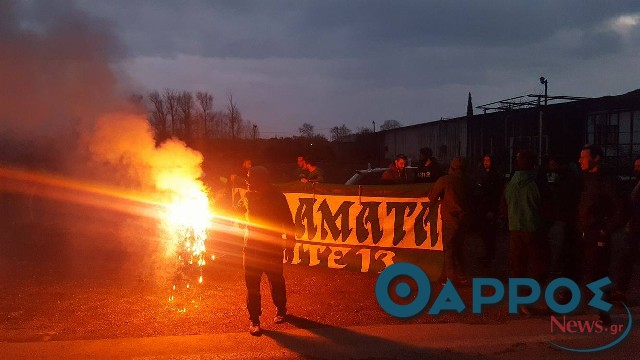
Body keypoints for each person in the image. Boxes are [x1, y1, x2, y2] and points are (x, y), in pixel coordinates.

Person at [240, 166, 295, 336]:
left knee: (276, 280)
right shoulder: (248, 196)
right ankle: (254, 319)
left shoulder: (278, 198)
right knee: (252, 285)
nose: (247, 181)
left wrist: (290, 246)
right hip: (250, 248)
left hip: (271, 248)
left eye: (250, 178)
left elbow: (288, 222)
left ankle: (281, 309)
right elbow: (238, 211)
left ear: (260, 180)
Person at [576, 144, 626, 323]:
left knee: (599, 273)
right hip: (586, 232)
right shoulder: (586, 178)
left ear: (596, 158)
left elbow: (622, 208)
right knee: (590, 272)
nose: (580, 160)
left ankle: (604, 313)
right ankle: (596, 307)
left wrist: (606, 229)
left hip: (598, 234)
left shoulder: (608, 180)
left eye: (584, 157)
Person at [503, 150, 547, 314]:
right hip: (534, 230)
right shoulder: (537, 183)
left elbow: (503, 206)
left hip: (515, 231)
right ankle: (526, 300)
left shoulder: (510, 184)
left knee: (517, 267)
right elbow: (547, 206)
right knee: (540, 267)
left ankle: (516, 301)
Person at [428, 156, 471, 285]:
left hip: (450, 219)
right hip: (464, 219)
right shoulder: (468, 181)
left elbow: (432, 196)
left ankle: (451, 278)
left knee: (449, 249)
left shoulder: (445, 180)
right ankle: (462, 275)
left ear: (451, 167)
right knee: (459, 248)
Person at [612, 156, 640, 301]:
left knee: (627, 259)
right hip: (634, 227)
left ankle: (620, 291)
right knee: (626, 259)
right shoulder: (634, 183)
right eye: (635, 166)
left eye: (639, 166)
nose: (636, 169)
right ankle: (620, 291)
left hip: (636, 227)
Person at [475, 154, 503, 267]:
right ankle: (488, 254)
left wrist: (493, 210)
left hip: (490, 209)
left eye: (488, 160)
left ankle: (491, 255)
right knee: (484, 233)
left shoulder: (496, 176)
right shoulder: (481, 174)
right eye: (484, 160)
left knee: (490, 233)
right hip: (482, 208)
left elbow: (496, 195)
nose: (486, 162)